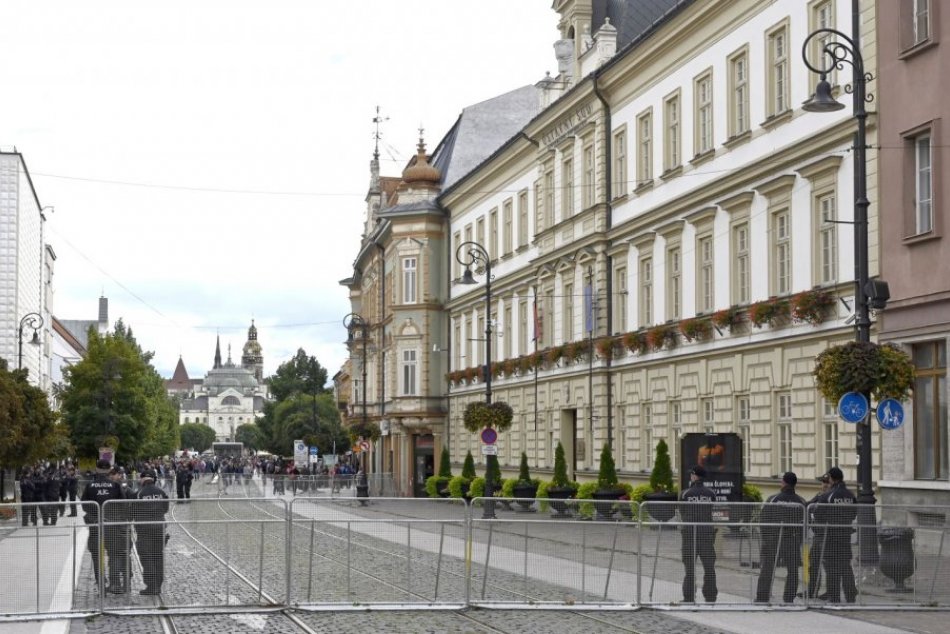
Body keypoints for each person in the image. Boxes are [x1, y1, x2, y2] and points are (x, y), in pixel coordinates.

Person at [755, 471, 806, 603]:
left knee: (767, 568)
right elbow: (805, 524)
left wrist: (766, 539)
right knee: (793, 570)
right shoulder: (801, 502)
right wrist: (799, 540)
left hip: (774, 539)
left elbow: (764, 521)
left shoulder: (773, 499)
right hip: (793, 540)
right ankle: (789, 598)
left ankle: (762, 597)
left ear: (783, 482)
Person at [811, 466, 858, 603]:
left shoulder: (828, 495)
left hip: (830, 535)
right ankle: (850, 596)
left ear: (831, 478)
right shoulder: (850, 495)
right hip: (845, 535)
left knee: (831, 566)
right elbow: (854, 512)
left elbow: (818, 514)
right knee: (845, 566)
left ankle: (834, 596)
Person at [80, 459, 125, 590]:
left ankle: (100, 581)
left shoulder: (90, 486)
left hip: (96, 524)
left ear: (97, 469)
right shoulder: (115, 486)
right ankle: (115, 583)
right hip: (112, 524)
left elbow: (84, 505)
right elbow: (122, 504)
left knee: (96, 554)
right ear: (109, 470)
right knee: (115, 553)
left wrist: (95, 514)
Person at [680, 465, 717, 603]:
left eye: (692, 474)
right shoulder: (711, 493)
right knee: (709, 568)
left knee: (689, 569)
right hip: (707, 535)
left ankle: (688, 597)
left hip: (689, 535)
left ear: (695, 476)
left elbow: (682, 511)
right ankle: (711, 596)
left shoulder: (685, 493)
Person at [134, 469, 169, 595]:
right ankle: (158, 586)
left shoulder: (139, 493)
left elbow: (133, 510)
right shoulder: (161, 492)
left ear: (142, 479)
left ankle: (151, 585)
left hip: (144, 529)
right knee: (158, 556)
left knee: (146, 556)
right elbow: (165, 509)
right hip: (159, 527)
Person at [806, 473, 832, 599]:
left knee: (828, 564)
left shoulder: (832, 497)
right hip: (818, 535)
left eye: (827, 482)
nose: (824, 485)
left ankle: (831, 591)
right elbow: (809, 505)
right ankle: (812, 590)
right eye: (823, 483)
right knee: (813, 562)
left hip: (828, 535)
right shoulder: (820, 495)